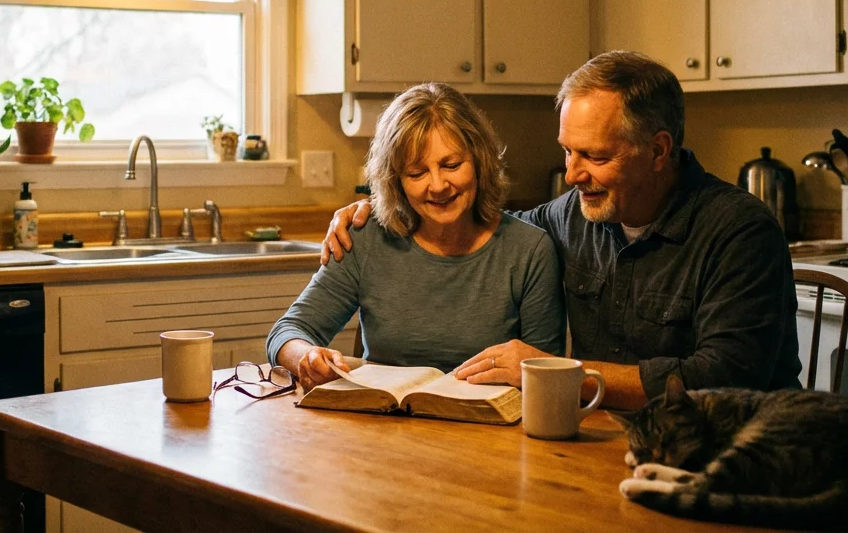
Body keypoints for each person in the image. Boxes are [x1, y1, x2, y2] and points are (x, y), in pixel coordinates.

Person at [322, 51, 801, 410]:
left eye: (595, 156)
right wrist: (383, 203)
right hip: (607, 439)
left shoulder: (741, 232)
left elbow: (724, 379)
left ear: (658, 151)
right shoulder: (570, 214)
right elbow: (483, 227)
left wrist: (559, 376)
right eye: (568, 151)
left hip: (732, 450)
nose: (572, 175)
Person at [267, 82, 566, 391]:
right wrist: (308, 357)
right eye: (416, 173)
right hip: (384, 426)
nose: (437, 186)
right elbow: (288, 332)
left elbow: (548, 373)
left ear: (479, 161)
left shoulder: (530, 251)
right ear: (395, 180)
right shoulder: (365, 237)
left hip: (491, 433)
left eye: (451, 165)